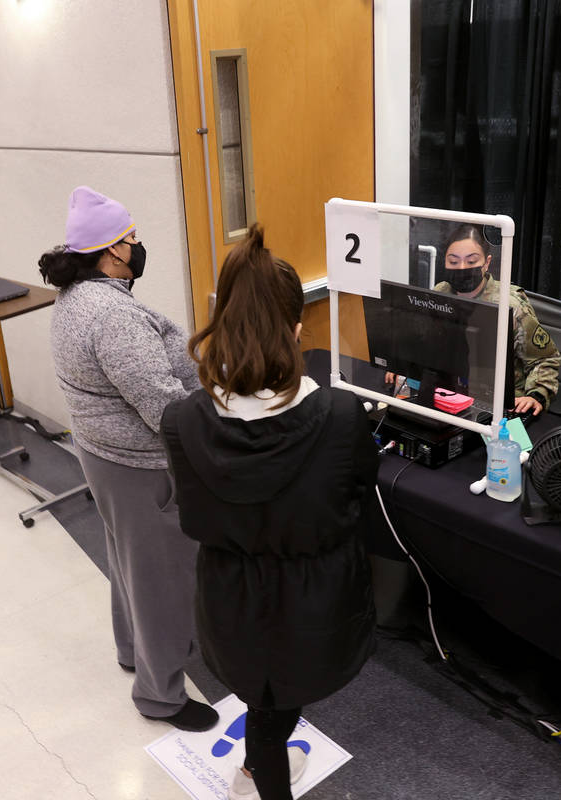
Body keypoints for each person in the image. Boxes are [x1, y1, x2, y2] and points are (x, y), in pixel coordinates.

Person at [161, 225, 378, 800]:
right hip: (313, 605)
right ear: (297, 328)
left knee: (263, 699)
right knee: (276, 702)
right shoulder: (340, 416)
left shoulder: (182, 422)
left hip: (230, 603)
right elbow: (356, 499)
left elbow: (195, 514)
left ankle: (259, 767)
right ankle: (261, 772)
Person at [39, 185, 218, 733]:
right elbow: (162, 406)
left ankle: (131, 650)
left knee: (126, 562)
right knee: (161, 577)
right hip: (140, 466)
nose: (138, 247)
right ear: (113, 250)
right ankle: (161, 695)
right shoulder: (113, 316)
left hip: (100, 454)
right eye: (132, 239)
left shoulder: (74, 299)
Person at [433, 224, 561, 416]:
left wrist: (537, 395)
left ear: (486, 263)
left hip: (502, 402)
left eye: (471, 261)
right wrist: (404, 365)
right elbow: (428, 343)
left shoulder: (509, 305)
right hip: (452, 394)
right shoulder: (441, 293)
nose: (462, 268)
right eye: (453, 261)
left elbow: (545, 359)